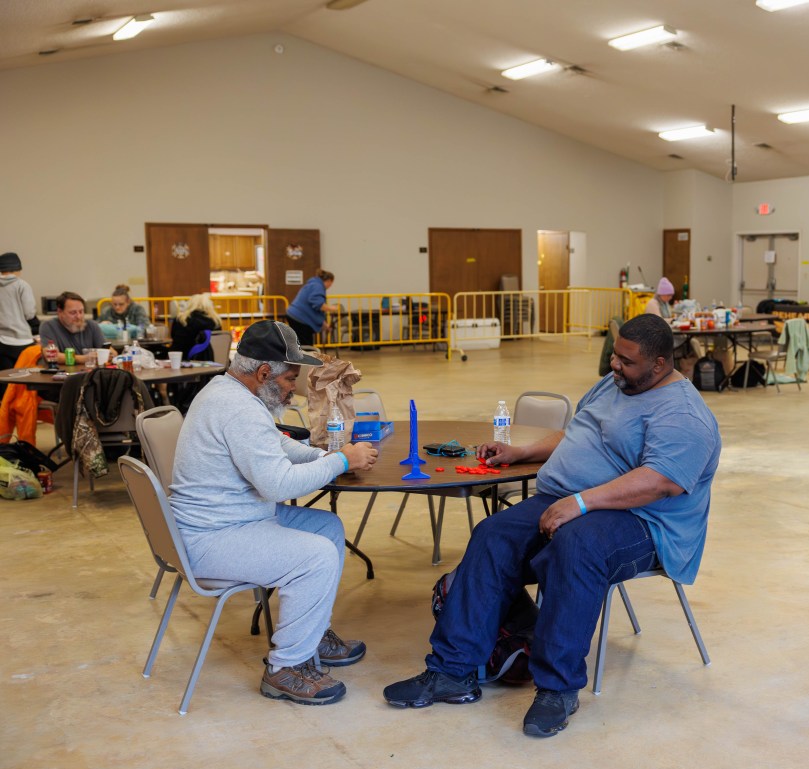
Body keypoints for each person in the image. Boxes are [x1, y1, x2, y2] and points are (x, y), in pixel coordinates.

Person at [382, 314, 722, 737]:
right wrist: (520, 451)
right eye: (615, 354)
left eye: (627, 361)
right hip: (573, 502)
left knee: (577, 546)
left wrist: (580, 503)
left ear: (659, 364)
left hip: (643, 523)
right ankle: (453, 669)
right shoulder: (615, 383)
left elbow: (659, 482)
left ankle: (557, 688)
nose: (614, 365)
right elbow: (576, 432)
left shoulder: (684, 414)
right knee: (493, 534)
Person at [169, 320, 379, 706]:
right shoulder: (238, 410)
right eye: (289, 380)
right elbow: (279, 485)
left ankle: (312, 634)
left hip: (231, 519)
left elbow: (278, 448)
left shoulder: (230, 392)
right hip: (211, 538)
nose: (292, 391)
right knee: (314, 556)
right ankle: (286, 669)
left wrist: (328, 456)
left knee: (327, 527)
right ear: (264, 372)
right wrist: (341, 461)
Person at [0, 252, 36, 401]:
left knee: (4, 381)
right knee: (26, 379)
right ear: (18, 268)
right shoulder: (22, 285)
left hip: (1, 341)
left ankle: (4, 414)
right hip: (23, 341)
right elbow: (29, 313)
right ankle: (25, 411)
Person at [38, 291, 109, 364]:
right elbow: (52, 356)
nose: (78, 317)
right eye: (73, 313)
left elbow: (109, 350)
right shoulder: (48, 327)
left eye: (81, 312)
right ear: (60, 312)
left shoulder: (92, 325)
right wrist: (84, 359)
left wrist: (110, 355)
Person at [286, 269, 338, 347]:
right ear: (329, 281)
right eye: (331, 284)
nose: (330, 286)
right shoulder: (318, 286)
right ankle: (304, 358)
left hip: (295, 315)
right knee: (306, 346)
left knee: (301, 343)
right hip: (300, 318)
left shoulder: (313, 284)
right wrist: (331, 308)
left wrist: (325, 325)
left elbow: (314, 310)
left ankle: (300, 358)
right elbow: (317, 303)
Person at [170, 293, 222, 361]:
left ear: (190, 304)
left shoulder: (182, 319)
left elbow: (173, 336)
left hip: (182, 358)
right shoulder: (216, 321)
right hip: (211, 359)